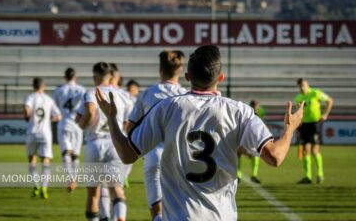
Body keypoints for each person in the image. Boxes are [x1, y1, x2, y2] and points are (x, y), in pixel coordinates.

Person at [96, 45, 304, 220]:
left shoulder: (166, 107)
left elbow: (126, 154)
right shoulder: (239, 111)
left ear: (187, 76)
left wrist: (111, 118)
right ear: (220, 77)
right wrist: (289, 128)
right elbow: (275, 157)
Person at [126, 50, 187, 221]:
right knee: (179, 209)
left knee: (157, 211)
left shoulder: (147, 93)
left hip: (153, 154)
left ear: (160, 69)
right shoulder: (185, 95)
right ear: (180, 70)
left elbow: (130, 127)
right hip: (179, 156)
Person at [76, 62, 129, 221]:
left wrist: (83, 124)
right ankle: (119, 216)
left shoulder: (91, 92)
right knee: (116, 190)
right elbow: (128, 121)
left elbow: (90, 111)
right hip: (115, 145)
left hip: (95, 143)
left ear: (94, 77)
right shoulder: (122, 95)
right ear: (111, 76)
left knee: (93, 195)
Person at [23, 77, 61, 199]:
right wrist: (49, 119)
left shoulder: (30, 97)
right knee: (46, 161)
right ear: (43, 86)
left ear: (33, 86)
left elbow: (27, 110)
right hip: (45, 133)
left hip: (32, 132)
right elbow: (58, 116)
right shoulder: (49, 99)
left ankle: (36, 186)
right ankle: (44, 187)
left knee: (32, 160)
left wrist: (27, 115)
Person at [52, 68, 86, 192]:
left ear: (65, 77)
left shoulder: (58, 90)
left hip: (64, 124)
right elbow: (85, 106)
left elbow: (54, 106)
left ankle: (70, 179)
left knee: (66, 153)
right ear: (75, 77)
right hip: (77, 125)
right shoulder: (81, 90)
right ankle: (74, 180)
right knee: (75, 155)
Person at [295, 78, 333, 184]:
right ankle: (308, 176)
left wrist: (325, 114)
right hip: (304, 125)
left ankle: (320, 174)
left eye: (303, 85)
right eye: (300, 86)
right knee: (305, 151)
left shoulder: (315, 93)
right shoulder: (298, 97)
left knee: (314, 150)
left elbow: (329, 100)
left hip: (314, 124)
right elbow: (299, 112)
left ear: (307, 85)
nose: (302, 88)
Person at [237, 100, 266, 184]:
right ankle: (238, 176)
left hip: (253, 138)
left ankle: (254, 175)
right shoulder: (246, 111)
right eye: (254, 106)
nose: (255, 108)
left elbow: (261, 123)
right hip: (244, 136)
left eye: (256, 106)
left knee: (256, 154)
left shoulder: (261, 112)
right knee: (238, 153)